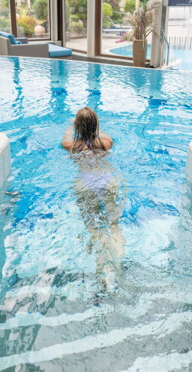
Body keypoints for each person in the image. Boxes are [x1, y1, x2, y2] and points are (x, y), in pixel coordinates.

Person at [62, 107, 125, 291]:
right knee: (113, 225)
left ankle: (103, 270)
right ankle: (118, 266)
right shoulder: (106, 143)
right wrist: (95, 128)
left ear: (77, 127)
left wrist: (73, 127)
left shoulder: (70, 146)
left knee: (95, 229)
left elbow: (68, 136)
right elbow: (100, 135)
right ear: (97, 126)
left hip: (85, 184)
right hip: (107, 181)